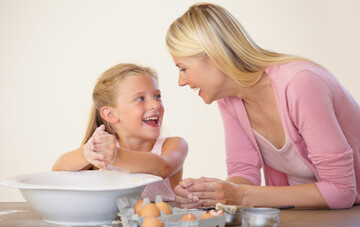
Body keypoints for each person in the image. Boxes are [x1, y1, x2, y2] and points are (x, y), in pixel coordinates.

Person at [165, 3, 360, 209]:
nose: (181, 81)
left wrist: (239, 196)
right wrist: (214, 192)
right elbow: (244, 172)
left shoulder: (301, 83)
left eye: (183, 68)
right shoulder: (229, 98)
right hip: (308, 216)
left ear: (215, 56)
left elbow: (342, 191)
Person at [52, 63, 188, 201]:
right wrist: (88, 153)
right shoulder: (104, 153)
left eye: (157, 96)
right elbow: (59, 171)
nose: (155, 104)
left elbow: (163, 167)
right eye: (140, 98)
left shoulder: (174, 145)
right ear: (110, 114)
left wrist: (116, 156)